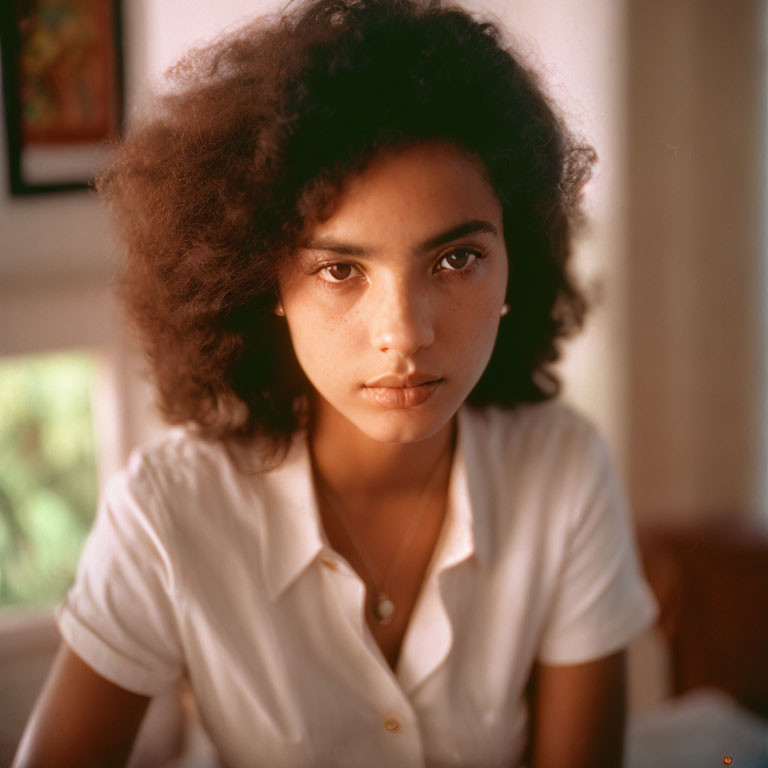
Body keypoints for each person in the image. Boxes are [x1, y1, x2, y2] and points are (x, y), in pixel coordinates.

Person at [13, 0, 658, 766]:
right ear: (269, 286)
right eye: (341, 270)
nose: (406, 333)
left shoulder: (564, 472)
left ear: (516, 257)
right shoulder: (168, 513)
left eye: (456, 260)